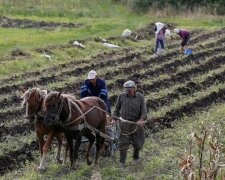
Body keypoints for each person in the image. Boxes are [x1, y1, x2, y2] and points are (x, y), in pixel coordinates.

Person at [112, 80, 147, 167]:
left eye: (129, 89)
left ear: (134, 88)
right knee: (123, 143)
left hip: (136, 124)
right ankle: (122, 162)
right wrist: (114, 119)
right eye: (126, 89)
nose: (127, 91)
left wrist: (141, 119)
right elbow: (117, 108)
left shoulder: (140, 97)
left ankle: (136, 157)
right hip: (124, 123)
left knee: (138, 143)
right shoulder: (121, 96)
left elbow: (144, 111)